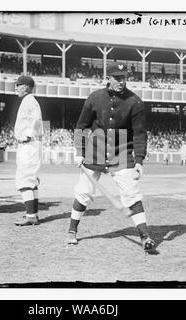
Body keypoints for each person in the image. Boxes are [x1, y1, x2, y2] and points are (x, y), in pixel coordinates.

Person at [66, 62, 155, 252]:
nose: (121, 82)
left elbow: (140, 134)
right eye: (117, 78)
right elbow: (82, 126)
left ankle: (145, 236)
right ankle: (72, 231)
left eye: (124, 78)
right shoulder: (95, 97)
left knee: (131, 194)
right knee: (83, 191)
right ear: (109, 78)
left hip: (121, 149)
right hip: (95, 148)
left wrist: (139, 160)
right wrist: (79, 152)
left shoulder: (135, 101)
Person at [13, 76, 44, 226]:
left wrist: (27, 135)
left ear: (25, 87)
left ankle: (31, 215)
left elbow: (36, 119)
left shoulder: (29, 100)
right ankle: (33, 214)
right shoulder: (28, 100)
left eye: (17, 85)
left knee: (24, 178)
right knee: (31, 179)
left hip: (28, 143)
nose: (16, 88)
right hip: (30, 144)